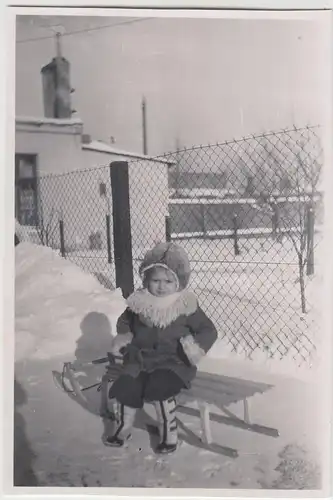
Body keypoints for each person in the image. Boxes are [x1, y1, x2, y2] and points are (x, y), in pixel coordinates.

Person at [105, 242, 217, 454]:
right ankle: (123, 427)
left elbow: (208, 330)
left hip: (173, 363)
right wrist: (125, 335)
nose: (161, 286)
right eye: (155, 280)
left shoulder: (185, 305)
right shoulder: (140, 303)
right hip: (140, 360)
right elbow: (124, 322)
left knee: (160, 387)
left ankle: (169, 433)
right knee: (127, 385)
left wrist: (194, 348)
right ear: (146, 280)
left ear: (179, 282)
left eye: (168, 281)